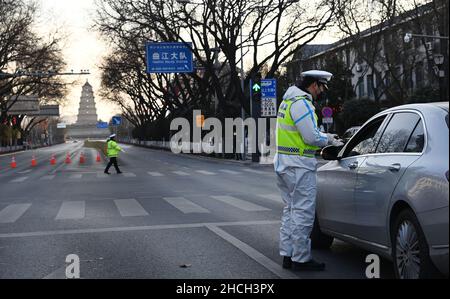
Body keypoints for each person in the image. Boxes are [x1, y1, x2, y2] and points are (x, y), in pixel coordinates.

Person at [274, 70, 344, 271]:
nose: (320, 92)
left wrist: (323, 135)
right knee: (303, 213)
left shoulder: (287, 102)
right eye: (321, 87)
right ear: (314, 85)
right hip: (299, 165)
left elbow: (302, 132)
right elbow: (310, 138)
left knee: (290, 211)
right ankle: (301, 259)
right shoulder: (302, 103)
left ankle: (288, 255)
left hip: (285, 163)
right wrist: (329, 139)